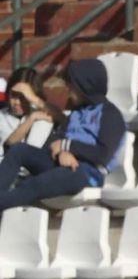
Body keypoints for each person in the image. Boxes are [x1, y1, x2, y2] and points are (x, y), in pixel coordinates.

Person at [0, 58, 126, 211]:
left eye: (72, 86)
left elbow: (102, 154)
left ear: (85, 86)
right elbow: (55, 141)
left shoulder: (110, 114)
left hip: (86, 173)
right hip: (61, 163)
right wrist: (62, 151)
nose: (69, 90)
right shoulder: (77, 112)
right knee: (19, 150)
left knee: (34, 184)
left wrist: (68, 146)